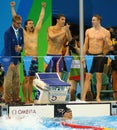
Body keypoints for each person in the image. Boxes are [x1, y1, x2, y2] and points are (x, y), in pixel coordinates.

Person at [10, 1, 46, 104]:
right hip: (27, 59)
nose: (32, 25)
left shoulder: (36, 31)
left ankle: (30, 98)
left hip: (35, 58)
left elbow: (41, 18)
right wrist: (12, 8)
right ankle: (25, 98)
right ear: (25, 26)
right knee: (26, 79)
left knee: (32, 79)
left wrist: (43, 8)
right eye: (30, 23)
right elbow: (15, 18)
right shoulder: (23, 32)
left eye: (32, 23)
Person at [81, 14, 111, 102]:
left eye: (94, 20)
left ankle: (98, 96)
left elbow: (109, 46)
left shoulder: (106, 32)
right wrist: (83, 57)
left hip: (100, 56)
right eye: (92, 20)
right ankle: (83, 97)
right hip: (90, 55)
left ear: (99, 21)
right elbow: (85, 45)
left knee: (98, 76)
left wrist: (105, 40)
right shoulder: (88, 31)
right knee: (88, 76)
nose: (92, 21)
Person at [4, 15, 24, 105]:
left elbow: (22, 43)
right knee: (8, 81)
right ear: (13, 22)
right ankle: (8, 100)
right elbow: (7, 48)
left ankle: (16, 98)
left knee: (16, 81)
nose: (20, 25)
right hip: (9, 60)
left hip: (17, 59)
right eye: (18, 23)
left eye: (20, 23)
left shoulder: (20, 30)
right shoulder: (8, 33)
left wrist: (21, 48)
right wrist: (10, 62)